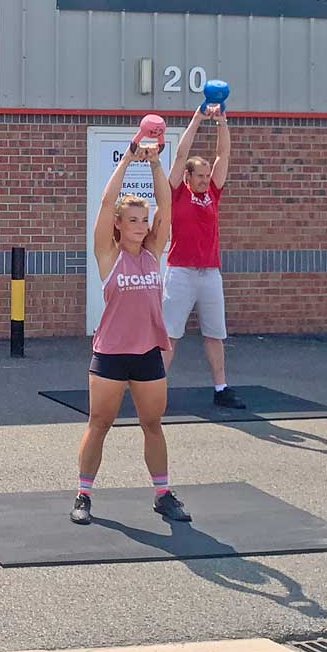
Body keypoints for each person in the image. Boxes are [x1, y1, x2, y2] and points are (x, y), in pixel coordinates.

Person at [73, 136, 190, 525]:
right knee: (100, 423)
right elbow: (107, 203)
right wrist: (128, 157)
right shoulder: (109, 255)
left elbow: (168, 204)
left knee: (153, 424)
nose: (142, 226)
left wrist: (155, 161)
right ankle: (83, 494)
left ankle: (162, 494)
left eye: (145, 220)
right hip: (110, 353)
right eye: (134, 220)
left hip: (147, 355)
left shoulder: (154, 253)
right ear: (119, 226)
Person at [164, 103, 242, 409]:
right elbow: (182, 153)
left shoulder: (213, 191)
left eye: (207, 174)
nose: (204, 179)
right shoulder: (177, 191)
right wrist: (198, 117)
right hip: (180, 272)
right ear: (187, 176)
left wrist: (221, 120)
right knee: (170, 334)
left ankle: (221, 388)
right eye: (199, 175)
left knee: (215, 334)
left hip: (210, 273)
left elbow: (224, 155)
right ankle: (156, 389)